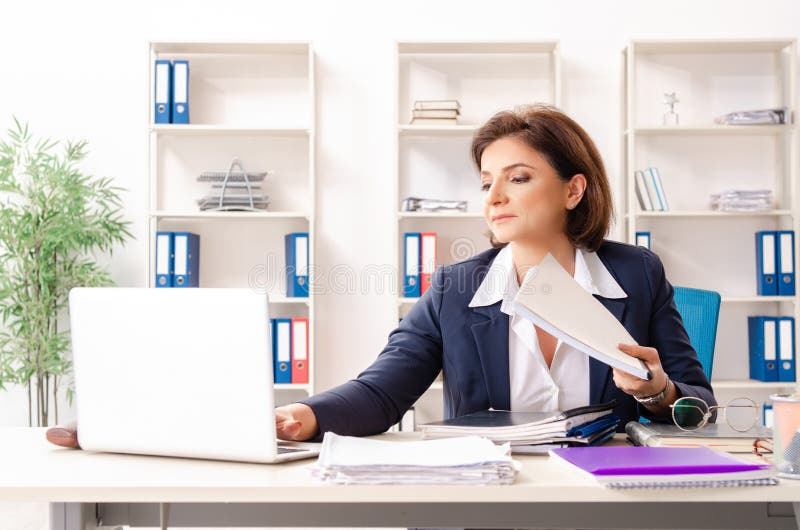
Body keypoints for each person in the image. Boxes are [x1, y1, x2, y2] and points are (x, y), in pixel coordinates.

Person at [46, 104, 715, 449]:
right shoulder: (457, 289)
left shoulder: (636, 273)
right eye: (486, 183)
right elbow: (380, 393)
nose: (494, 198)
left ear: (573, 190)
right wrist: (300, 417)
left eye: (518, 178)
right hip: (494, 500)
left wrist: (657, 391)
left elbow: (701, 406)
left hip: (607, 501)